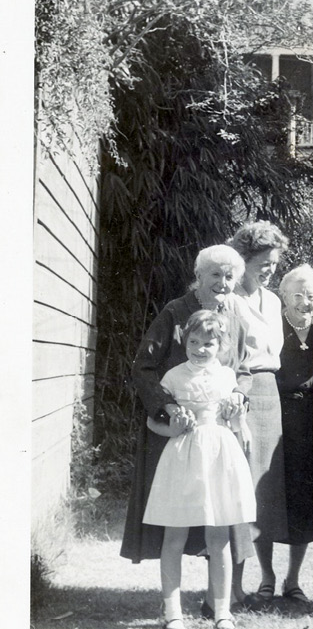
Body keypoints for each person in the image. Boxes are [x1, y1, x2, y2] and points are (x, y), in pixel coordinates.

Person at [120, 244, 255, 573]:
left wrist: (238, 393)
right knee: (173, 515)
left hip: (217, 433)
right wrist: (166, 406)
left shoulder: (235, 319)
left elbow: (244, 370)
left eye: (229, 276)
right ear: (197, 276)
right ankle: (174, 598)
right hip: (173, 430)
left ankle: (221, 596)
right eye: (215, 275)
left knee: (220, 513)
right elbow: (143, 366)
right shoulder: (175, 312)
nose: (222, 282)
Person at [143, 311, 256, 629]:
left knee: (218, 537)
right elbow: (154, 422)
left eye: (208, 343)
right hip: (183, 455)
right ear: (184, 340)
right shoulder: (173, 377)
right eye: (194, 342)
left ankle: (223, 611)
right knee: (174, 536)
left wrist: (237, 418)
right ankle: (173, 612)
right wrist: (173, 426)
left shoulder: (227, 379)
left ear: (221, 345)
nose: (200, 349)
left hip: (219, 455)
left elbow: (235, 425)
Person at [228, 220, 289, 608]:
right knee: (238, 490)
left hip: (271, 396)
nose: (268, 269)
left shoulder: (274, 300)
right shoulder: (230, 298)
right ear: (244, 259)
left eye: (274, 263)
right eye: (262, 262)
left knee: (264, 491)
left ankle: (266, 578)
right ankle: (232, 585)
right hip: (242, 392)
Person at [267, 265, 313, 602]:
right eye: (298, 295)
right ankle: (267, 577)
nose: (305, 302)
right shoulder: (271, 328)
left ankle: (292, 580)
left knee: (303, 505)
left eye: (311, 296)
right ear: (284, 296)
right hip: (275, 420)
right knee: (267, 496)